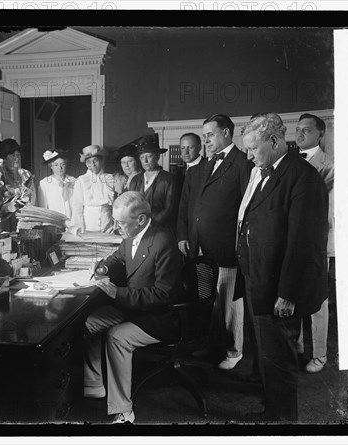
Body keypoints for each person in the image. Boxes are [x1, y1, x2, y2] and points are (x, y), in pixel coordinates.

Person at [237, 112, 328, 421]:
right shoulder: (267, 172)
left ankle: (281, 422)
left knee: (279, 357)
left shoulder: (302, 176)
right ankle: (273, 410)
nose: (249, 157)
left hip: (280, 287)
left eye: (253, 149)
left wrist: (287, 293)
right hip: (259, 277)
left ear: (274, 141)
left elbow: (304, 243)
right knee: (269, 355)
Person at [83, 191, 181, 424]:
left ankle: (124, 411)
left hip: (160, 317)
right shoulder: (131, 234)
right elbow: (117, 258)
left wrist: (118, 293)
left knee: (118, 336)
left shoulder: (163, 242)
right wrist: (104, 269)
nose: (117, 227)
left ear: (141, 220)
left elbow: (163, 294)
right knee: (89, 323)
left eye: (120, 223)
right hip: (134, 307)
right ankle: (95, 385)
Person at [176, 114, 252, 370]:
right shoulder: (203, 166)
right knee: (209, 301)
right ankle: (213, 343)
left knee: (230, 303)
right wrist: (184, 235)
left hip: (226, 249)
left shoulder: (242, 164)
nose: (205, 139)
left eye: (210, 134)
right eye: (205, 135)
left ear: (227, 133)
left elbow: (247, 211)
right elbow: (186, 206)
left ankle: (233, 351)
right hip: (200, 247)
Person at [294, 113, 334, 374]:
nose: (299, 134)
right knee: (292, 294)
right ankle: (295, 347)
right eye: (298, 129)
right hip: (293, 241)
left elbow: (327, 211)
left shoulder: (330, 165)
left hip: (318, 242)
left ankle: (319, 354)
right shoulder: (291, 162)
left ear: (320, 134)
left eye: (306, 130)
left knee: (318, 301)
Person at [128, 134, 178, 235]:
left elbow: (169, 209)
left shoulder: (168, 179)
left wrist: (149, 225)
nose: (145, 161)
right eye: (142, 157)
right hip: (138, 229)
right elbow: (130, 205)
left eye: (149, 156)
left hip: (160, 230)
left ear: (157, 156)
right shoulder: (135, 180)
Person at [0, 138, 36, 231]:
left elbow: (33, 200)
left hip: (26, 222)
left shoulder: (26, 174)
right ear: (4, 158)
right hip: (6, 223)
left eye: (18, 155)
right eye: (13, 155)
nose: (17, 158)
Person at [71, 145, 115, 232]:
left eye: (95, 160)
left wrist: (115, 224)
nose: (93, 164)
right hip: (89, 223)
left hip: (107, 222)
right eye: (89, 162)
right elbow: (77, 206)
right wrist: (79, 228)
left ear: (101, 161)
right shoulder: (81, 180)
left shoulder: (110, 178)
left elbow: (116, 205)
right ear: (86, 164)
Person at [37, 149, 75, 219]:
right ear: (51, 166)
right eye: (56, 165)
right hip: (54, 222)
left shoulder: (73, 180)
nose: (59, 168)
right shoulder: (45, 183)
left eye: (62, 164)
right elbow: (43, 208)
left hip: (71, 221)